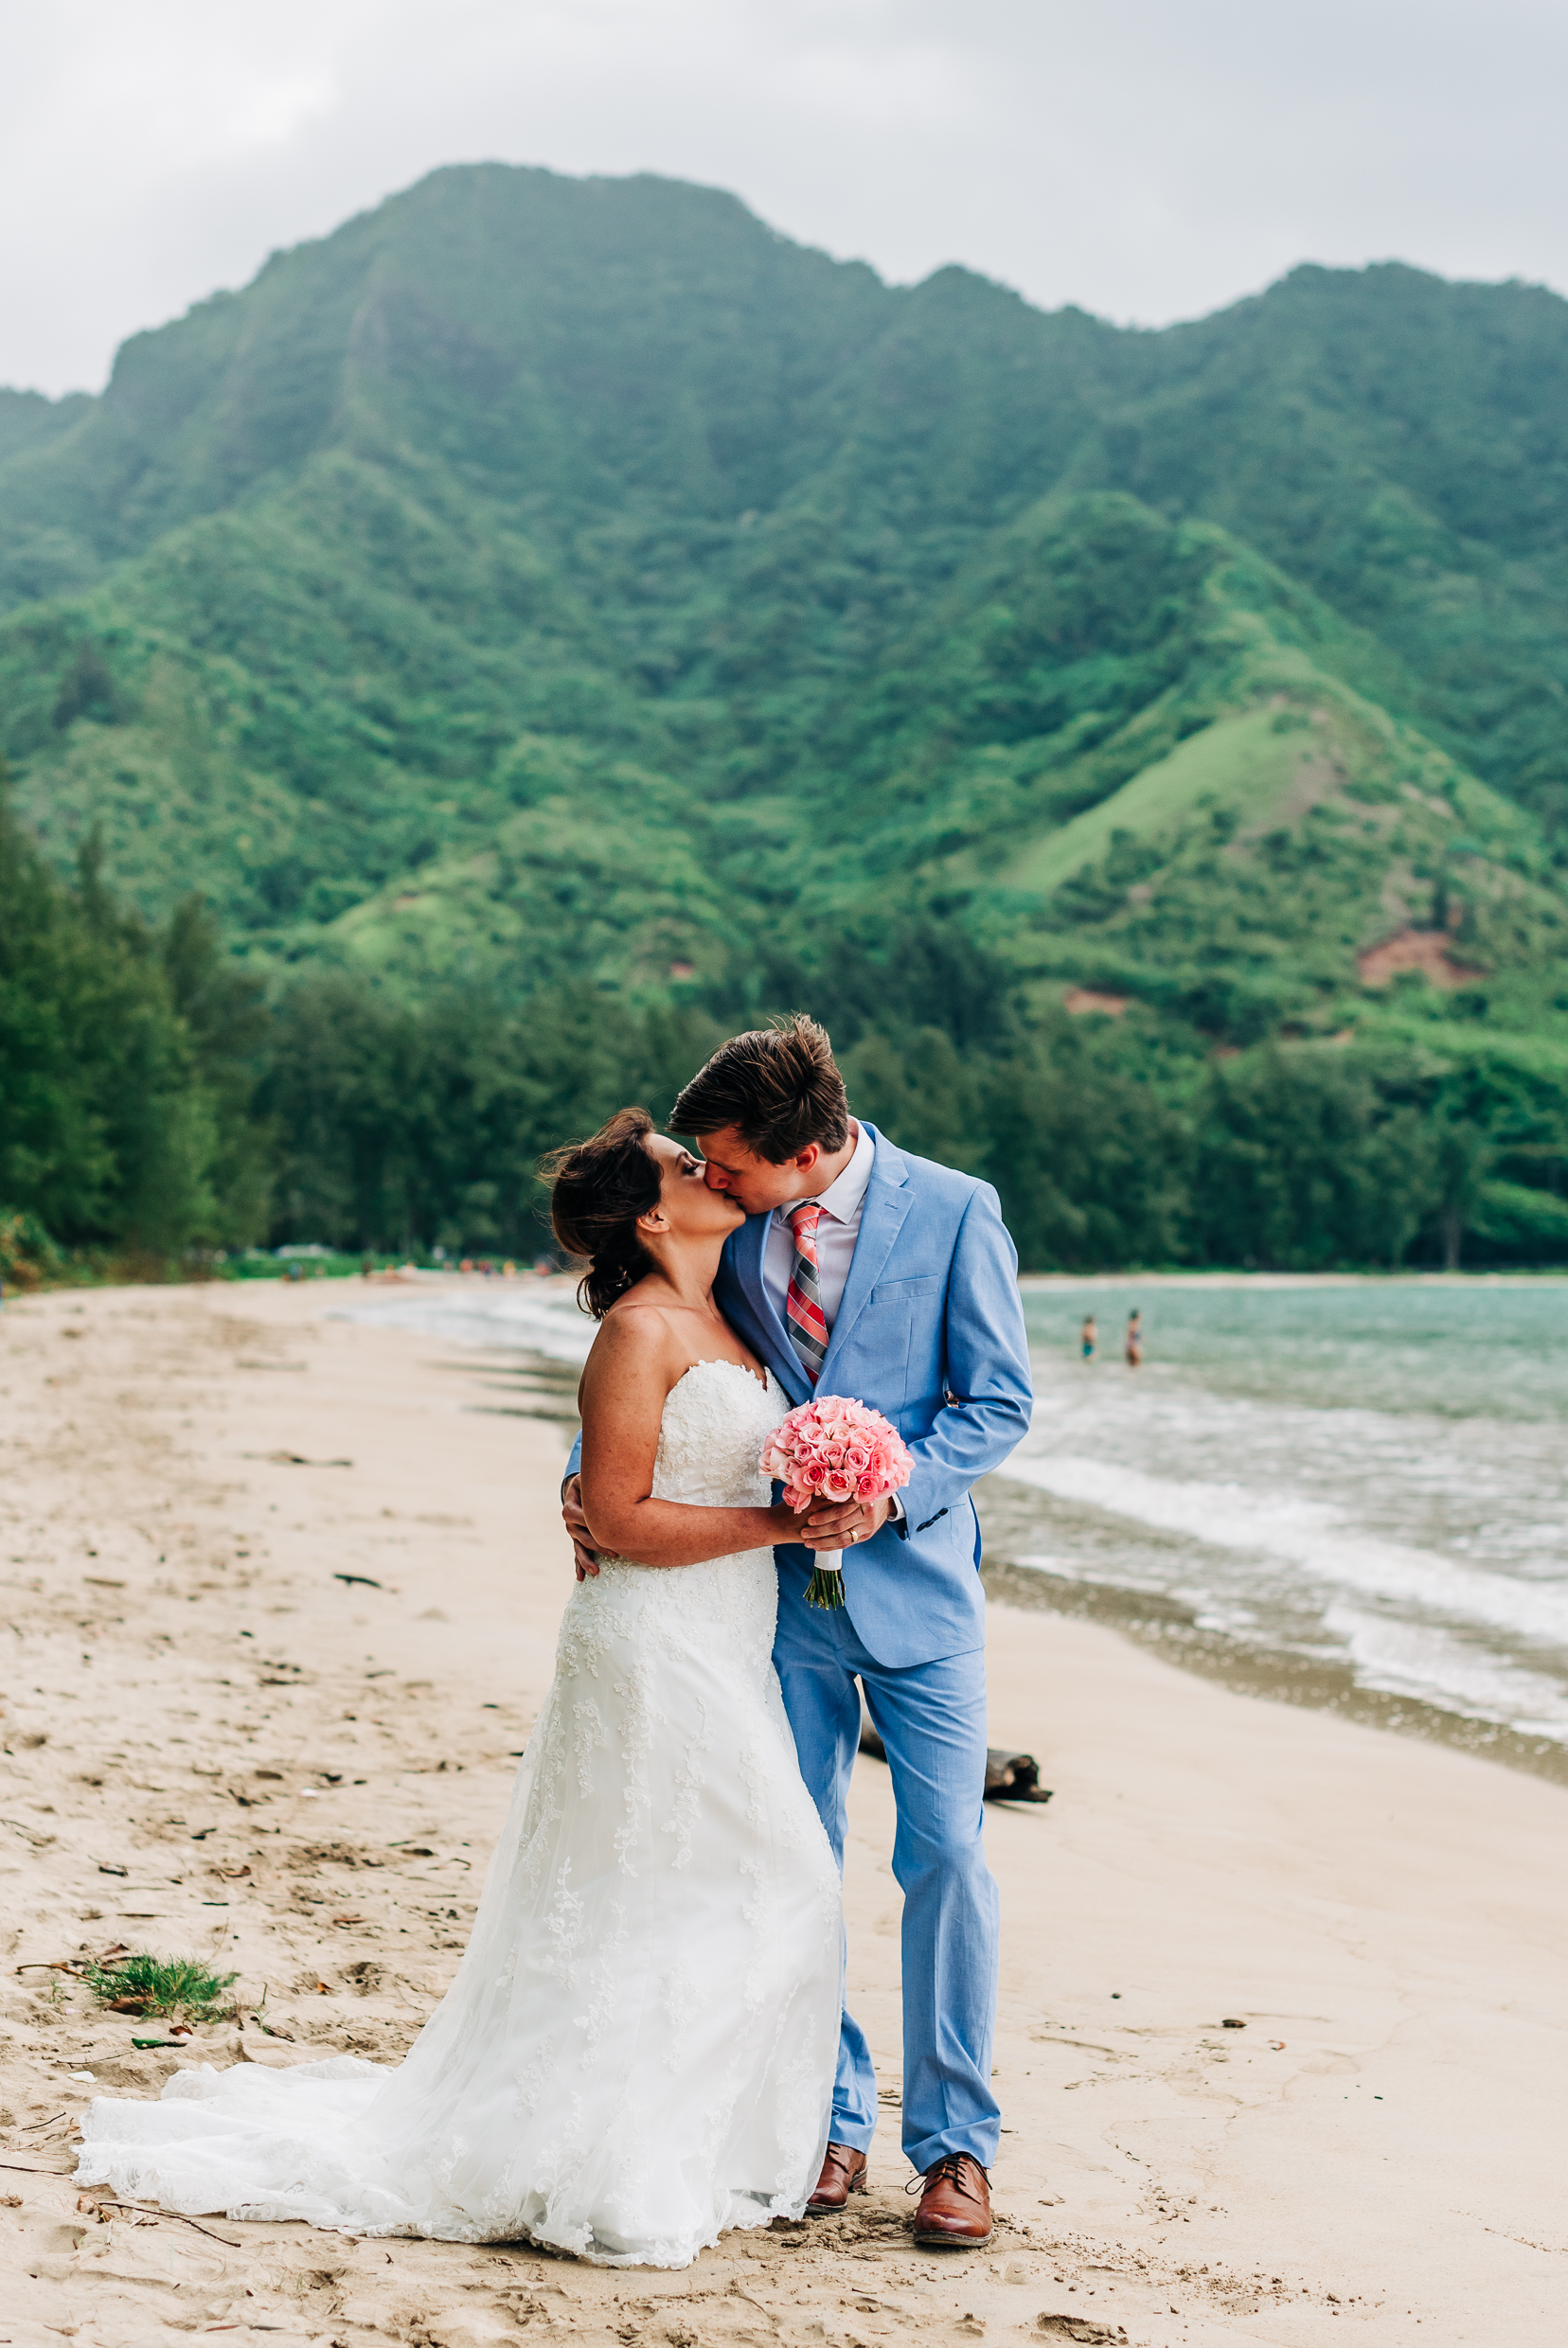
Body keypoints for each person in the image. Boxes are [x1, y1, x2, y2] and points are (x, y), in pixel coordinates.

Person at [77, 1109, 842, 2268]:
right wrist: (779, 1520)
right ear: (649, 1215)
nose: (708, 1168)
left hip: (725, 1633)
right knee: (746, 1875)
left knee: (694, 1885)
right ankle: (612, 2159)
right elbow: (625, 1516)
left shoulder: (724, 1308)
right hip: (649, 1641)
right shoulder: (638, 1331)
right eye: (684, 1165)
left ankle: (651, 2139)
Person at [564, 1017, 1033, 2249]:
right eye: (706, 1168)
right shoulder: (736, 1220)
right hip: (780, 1607)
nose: (710, 1179)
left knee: (945, 1862)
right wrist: (584, 1478)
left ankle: (957, 2151)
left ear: (808, 1148)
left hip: (924, 1594)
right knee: (793, 1856)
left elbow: (998, 1404)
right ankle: (827, 2117)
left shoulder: (957, 1211)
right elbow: (660, 1341)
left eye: (729, 1164)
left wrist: (896, 1487)